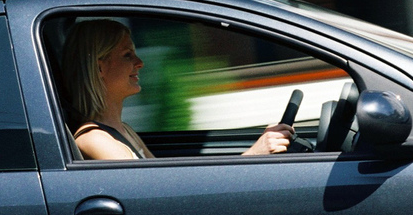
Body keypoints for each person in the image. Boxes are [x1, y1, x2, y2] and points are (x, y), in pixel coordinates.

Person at [59, 18, 294, 161]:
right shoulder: (95, 140)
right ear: (99, 67)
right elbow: (155, 196)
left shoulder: (122, 130)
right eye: (127, 55)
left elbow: (163, 183)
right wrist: (253, 155)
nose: (140, 63)